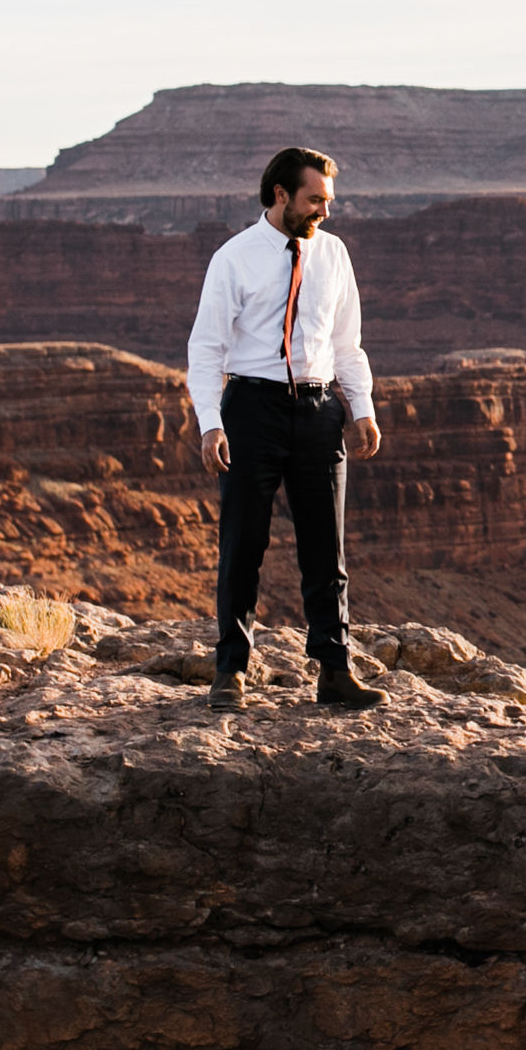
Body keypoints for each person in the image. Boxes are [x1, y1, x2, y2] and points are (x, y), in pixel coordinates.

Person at [186, 145, 388, 714]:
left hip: (320, 412)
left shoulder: (334, 254)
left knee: (327, 552)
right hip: (251, 409)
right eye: (315, 199)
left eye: (328, 199)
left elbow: (347, 343)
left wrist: (363, 408)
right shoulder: (235, 258)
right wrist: (210, 424)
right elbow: (205, 348)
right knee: (243, 545)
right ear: (281, 195)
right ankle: (230, 671)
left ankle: (334, 671)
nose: (325, 210)